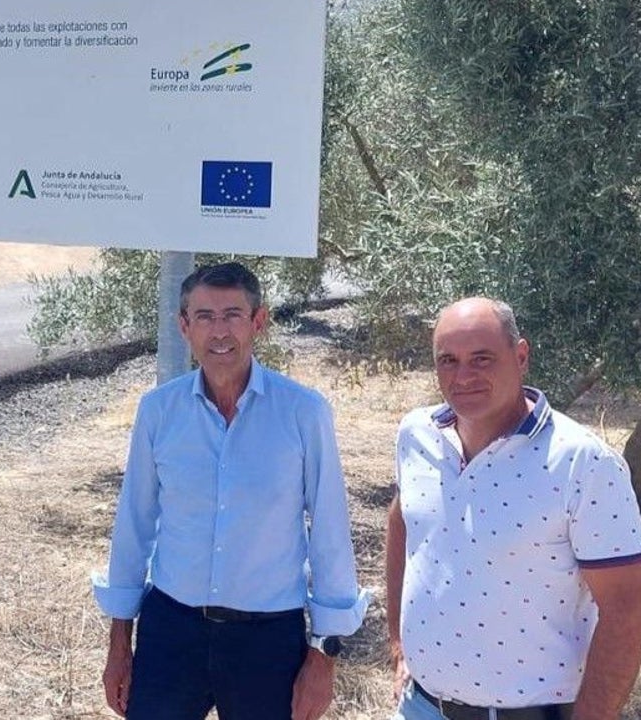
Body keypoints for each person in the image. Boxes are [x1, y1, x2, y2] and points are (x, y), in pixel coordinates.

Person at [94, 261, 369, 720]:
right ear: (184, 326)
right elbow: (133, 527)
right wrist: (119, 643)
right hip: (171, 630)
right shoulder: (158, 411)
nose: (219, 331)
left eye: (232, 315)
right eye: (204, 316)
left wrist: (324, 658)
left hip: (267, 639)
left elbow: (330, 538)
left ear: (258, 322)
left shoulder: (304, 413)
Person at [386, 297, 641, 720]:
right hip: (421, 707)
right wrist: (398, 641)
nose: (463, 376)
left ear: (520, 356)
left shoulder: (582, 462)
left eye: (481, 359)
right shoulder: (417, 434)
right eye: (448, 360)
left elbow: (628, 607)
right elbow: (403, 520)